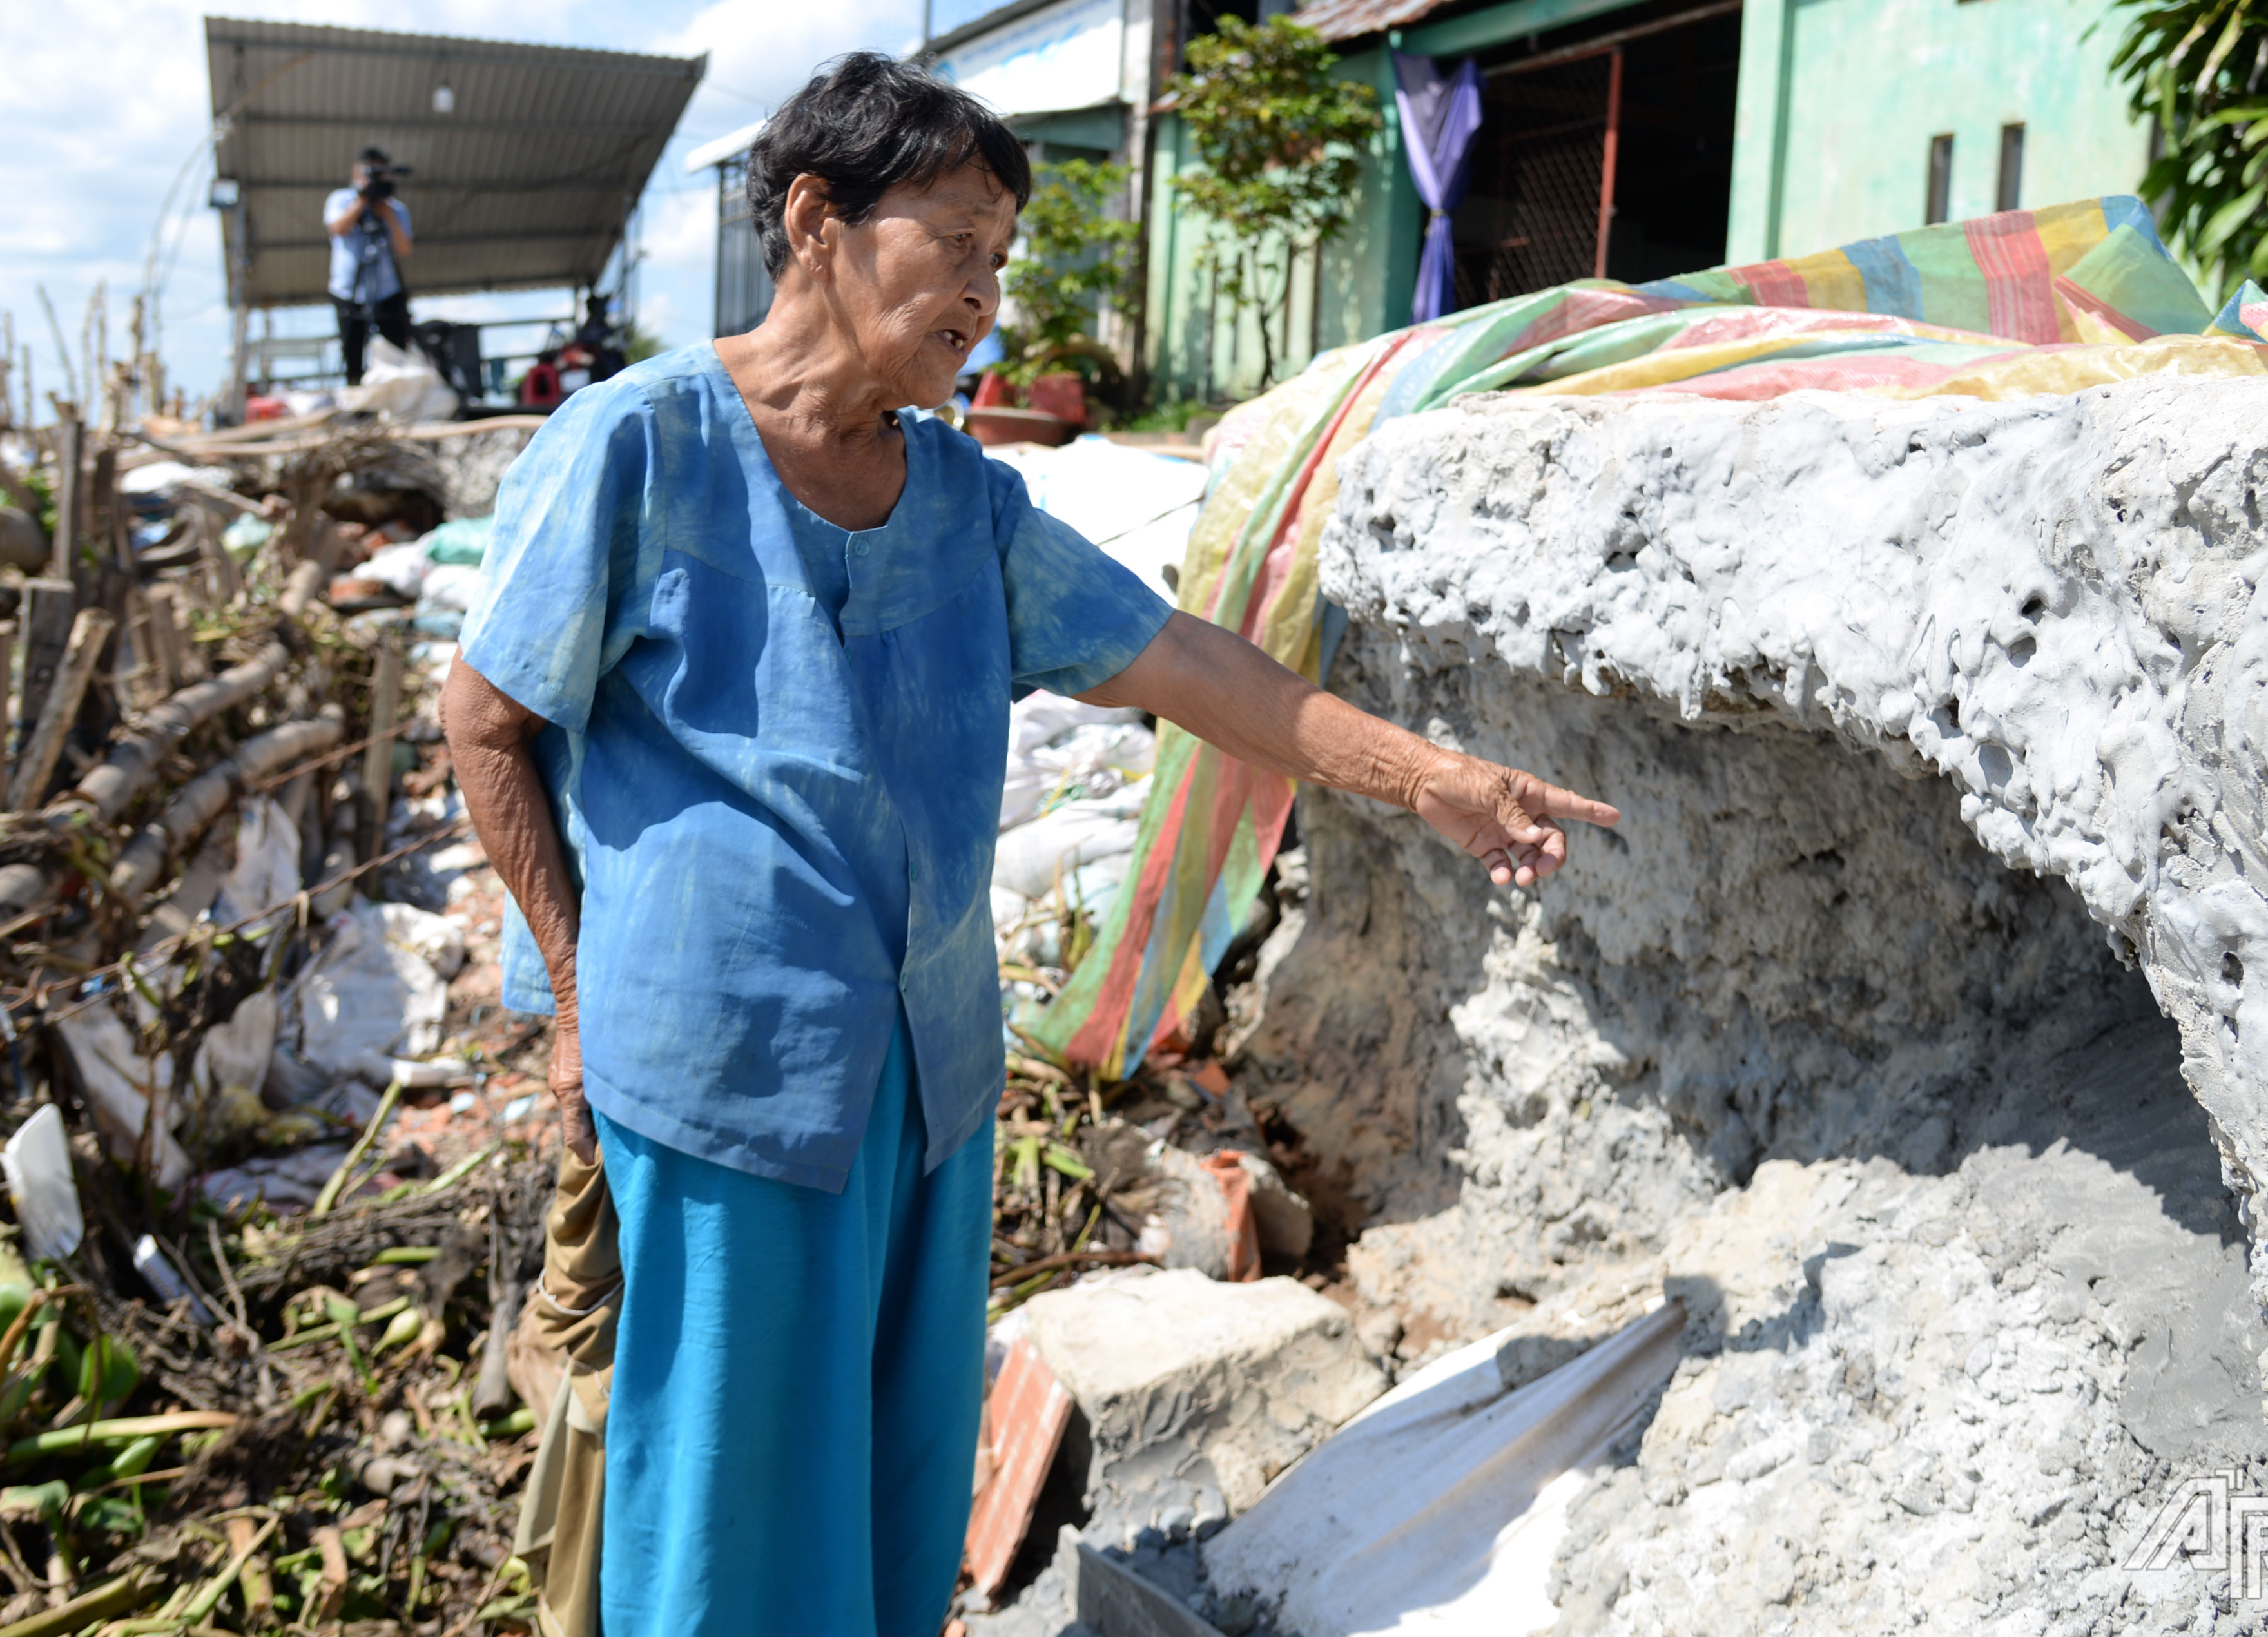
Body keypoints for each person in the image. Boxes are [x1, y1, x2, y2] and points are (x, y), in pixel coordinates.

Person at [442, 52, 1619, 1637]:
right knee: (725, 1497)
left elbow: (1186, 663)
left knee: (892, 1476)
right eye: (956, 243)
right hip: (719, 1072)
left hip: (925, 1075)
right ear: (817, 222)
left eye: (1002, 259)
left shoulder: (956, 497)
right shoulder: (640, 445)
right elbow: (485, 720)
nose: (986, 295)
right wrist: (578, 1003)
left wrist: (1426, 775)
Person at [325, 146, 415, 387]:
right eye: (369, 173)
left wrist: (388, 216)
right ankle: (358, 405)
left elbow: (405, 248)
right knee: (353, 353)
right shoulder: (341, 199)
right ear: (355, 174)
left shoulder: (395, 209)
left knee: (399, 348)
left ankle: (401, 398)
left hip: (387, 291)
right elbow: (337, 228)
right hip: (349, 291)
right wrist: (361, 201)